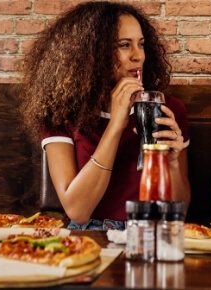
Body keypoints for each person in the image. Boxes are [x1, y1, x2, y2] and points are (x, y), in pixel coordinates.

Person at [18, 2, 191, 230]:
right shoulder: (60, 114)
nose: (138, 56)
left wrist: (172, 166)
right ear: (91, 53)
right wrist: (116, 124)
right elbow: (78, 210)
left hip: (151, 232)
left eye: (141, 44)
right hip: (90, 234)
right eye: (124, 45)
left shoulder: (167, 109)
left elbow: (180, 210)